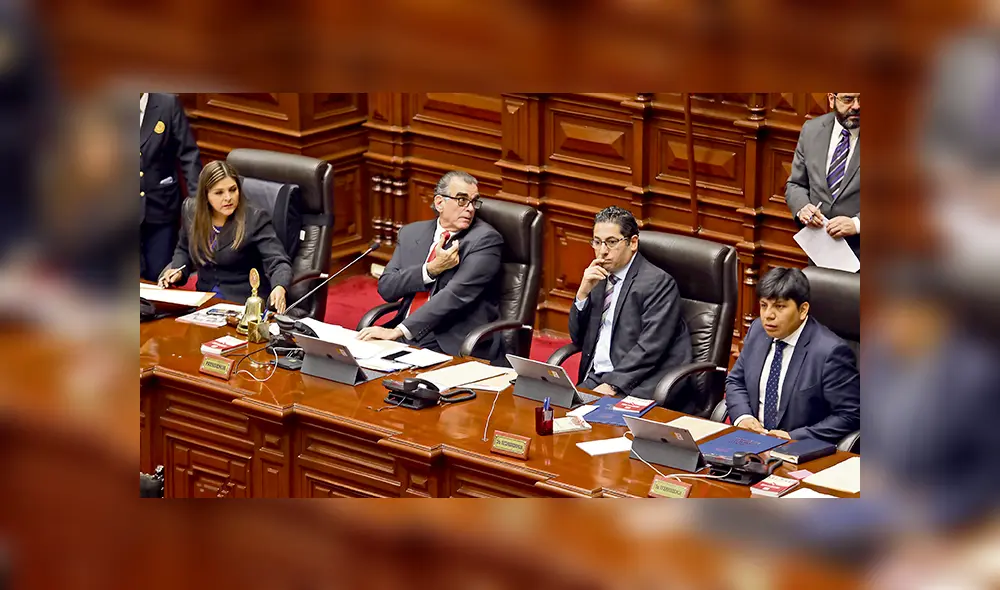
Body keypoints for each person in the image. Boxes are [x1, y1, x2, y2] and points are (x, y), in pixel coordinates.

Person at [357, 170, 504, 361]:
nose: (469, 208)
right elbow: (387, 288)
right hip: (408, 330)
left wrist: (399, 332)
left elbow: (454, 295)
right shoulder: (412, 233)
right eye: (461, 200)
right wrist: (430, 270)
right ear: (439, 203)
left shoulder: (485, 241)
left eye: (474, 201)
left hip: (451, 339)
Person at [569, 206, 692, 405]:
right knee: (553, 413)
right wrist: (582, 294)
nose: (602, 251)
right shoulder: (598, 276)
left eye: (611, 242)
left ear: (632, 242)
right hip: (598, 378)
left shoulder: (658, 283)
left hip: (639, 384)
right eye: (597, 242)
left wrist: (612, 384)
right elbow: (578, 338)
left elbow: (650, 347)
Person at [726, 267, 859, 443]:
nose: (768, 316)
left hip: (798, 450)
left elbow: (851, 414)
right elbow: (736, 380)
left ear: (803, 310)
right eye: (764, 305)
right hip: (751, 441)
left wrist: (793, 437)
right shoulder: (758, 330)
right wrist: (743, 417)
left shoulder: (830, 353)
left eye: (779, 307)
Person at [157, 160, 290, 312]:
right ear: (205, 195)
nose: (228, 198)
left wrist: (280, 286)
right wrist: (178, 270)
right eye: (219, 193)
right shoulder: (191, 211)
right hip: (203, 300)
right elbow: (184, 248)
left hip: (242, 304)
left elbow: (278, 261)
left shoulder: (255, 218)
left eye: (233, 190)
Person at [785, 93, 861, 261]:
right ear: (831, 99)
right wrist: (802, 207)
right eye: (848, 99)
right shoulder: (811, 130)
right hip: (819, 252)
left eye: (862, 99)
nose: (856, 106)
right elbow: (795, 184)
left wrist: (857, 224)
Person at [140, 93, 202, 281]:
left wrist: (197, 205)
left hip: (160, 208)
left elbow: (189, 155)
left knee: (159, 277)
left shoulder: (167, 104)